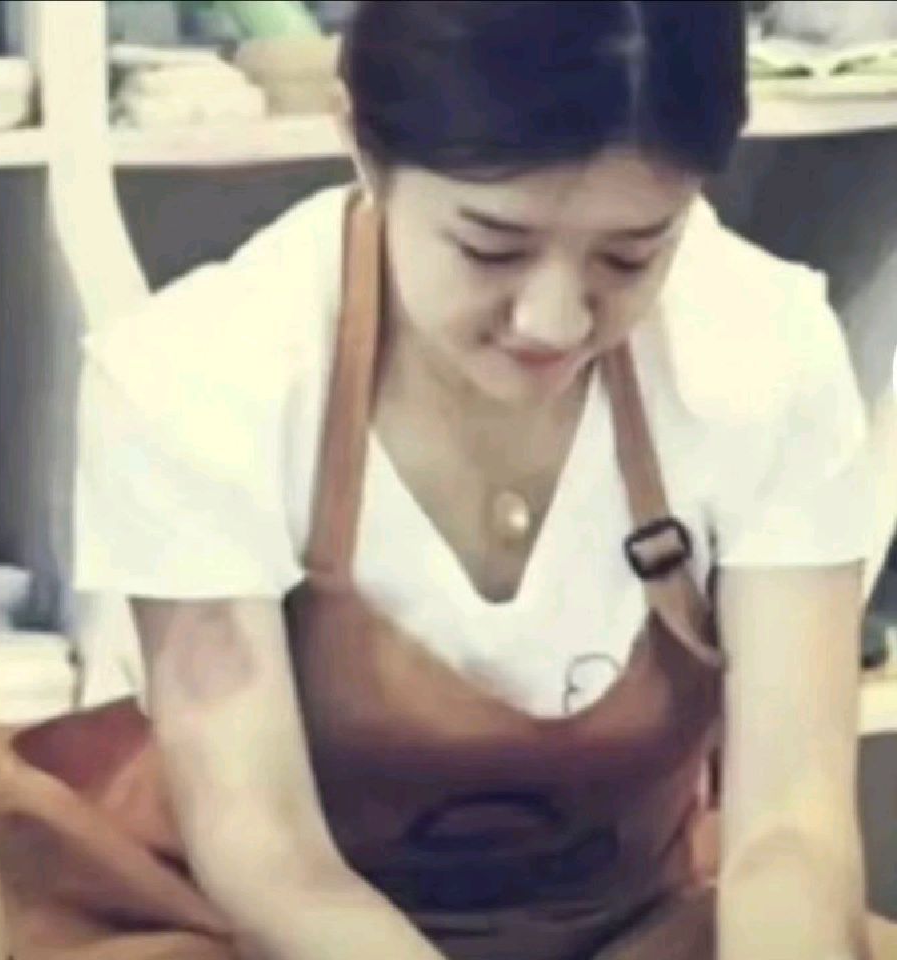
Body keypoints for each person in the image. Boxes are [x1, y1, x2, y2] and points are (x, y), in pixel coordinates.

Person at [63, 2, 893, 959]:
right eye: (491, 248)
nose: (554, 320)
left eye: (632, 254)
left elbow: (789, 829)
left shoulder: (765, 345)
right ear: (361, 147)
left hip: (632, 926)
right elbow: (267, 853)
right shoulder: (196, 374)